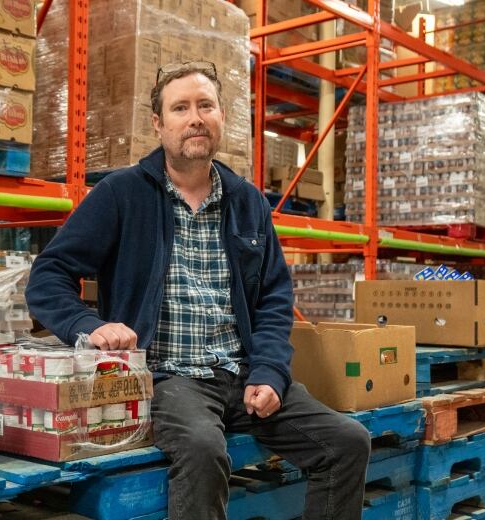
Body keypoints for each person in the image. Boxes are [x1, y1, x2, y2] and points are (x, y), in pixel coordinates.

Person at [26, 61, 371, 520]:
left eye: (205, 105)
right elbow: (48, 275)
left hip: (243, 374)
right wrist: (89, 325)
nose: (195, 117)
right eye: (181, 107)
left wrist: (269, 372)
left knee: (348, 442)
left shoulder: (246, 201)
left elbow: (273, 298)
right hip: (171, 378)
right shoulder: (121, 194)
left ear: (222, 116)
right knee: (205, 450)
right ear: (158, 123)